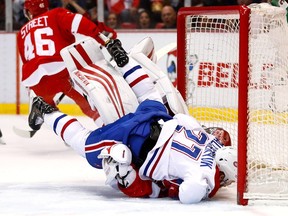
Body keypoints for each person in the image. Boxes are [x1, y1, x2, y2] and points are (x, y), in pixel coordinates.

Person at [28, 45, 236, 204]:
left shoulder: (210, 140)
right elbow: (188, 195)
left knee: (149, 94)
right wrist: (208, 185)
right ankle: (45, 112)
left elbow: (183, 120)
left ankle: (124, 60)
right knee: (85, 144)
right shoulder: (207, 174)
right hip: (138, 140)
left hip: (158, 118)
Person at [17, 0, 128, 127]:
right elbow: (80, 23)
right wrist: (104, 41)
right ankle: (108, 129)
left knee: (49, 111)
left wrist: (32, 90)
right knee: (88, 106)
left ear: (28, 11)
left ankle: (67, 129)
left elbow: (26, 62)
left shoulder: (21, 33)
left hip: (35, 81)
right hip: (62, 70)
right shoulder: (56, 14)